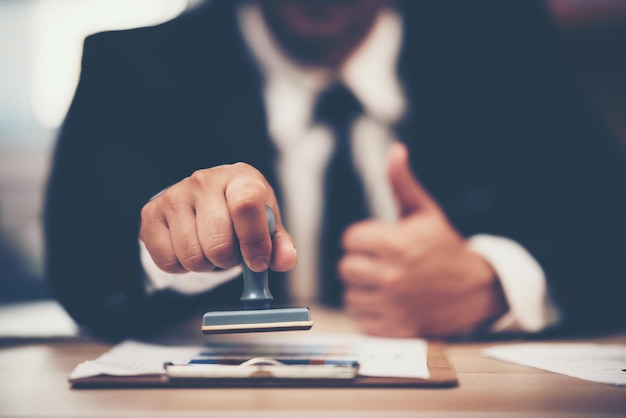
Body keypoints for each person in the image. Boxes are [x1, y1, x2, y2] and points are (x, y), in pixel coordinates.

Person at [45, 0, 626, 340]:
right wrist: (180, 245)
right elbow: (85, 273)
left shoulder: (508, 43)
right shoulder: (131, 67)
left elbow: (610, 230)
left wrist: (493, 280)